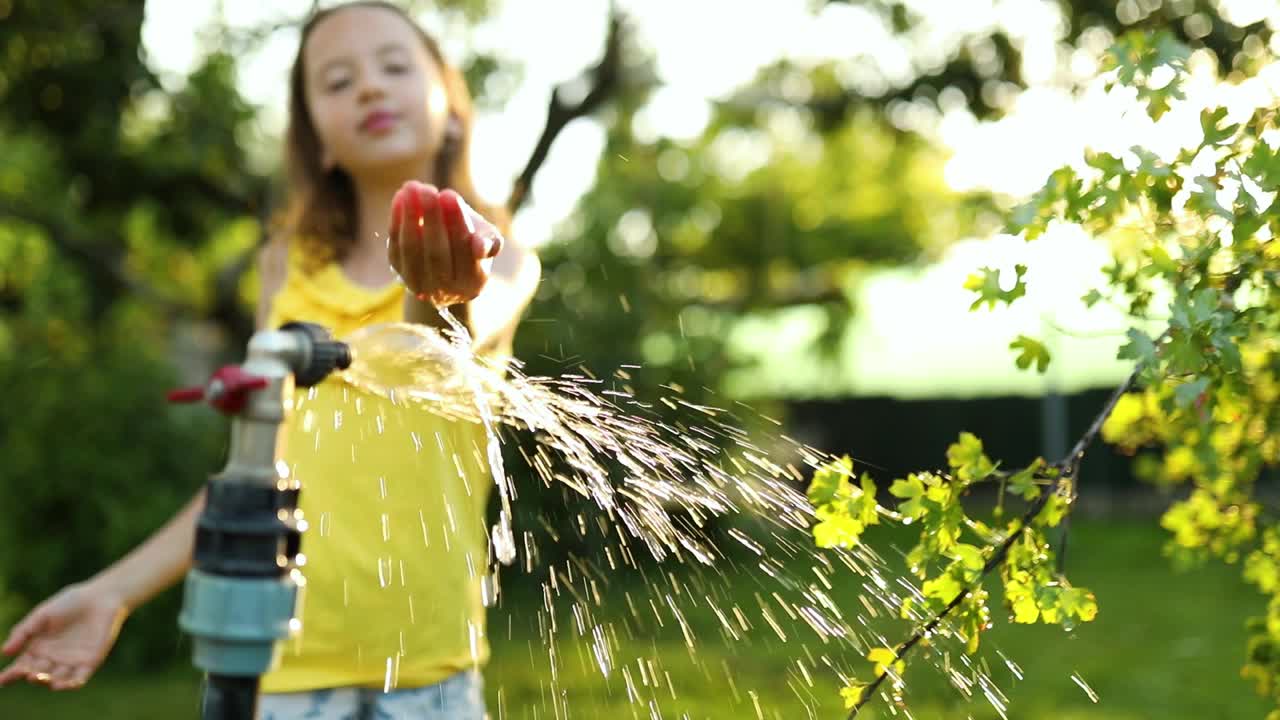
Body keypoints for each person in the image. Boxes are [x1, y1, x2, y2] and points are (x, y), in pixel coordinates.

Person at [0, 2, 540, 718]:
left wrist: (439, 293)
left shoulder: (499, 256)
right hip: (277, 664)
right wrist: (113, 591)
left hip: (426, 671)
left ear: (449, 107)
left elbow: (443, 352)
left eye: (394, 67)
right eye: (339, 80)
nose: (370, 89)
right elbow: (255, 470)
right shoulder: (286, 268)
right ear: (315, 138)